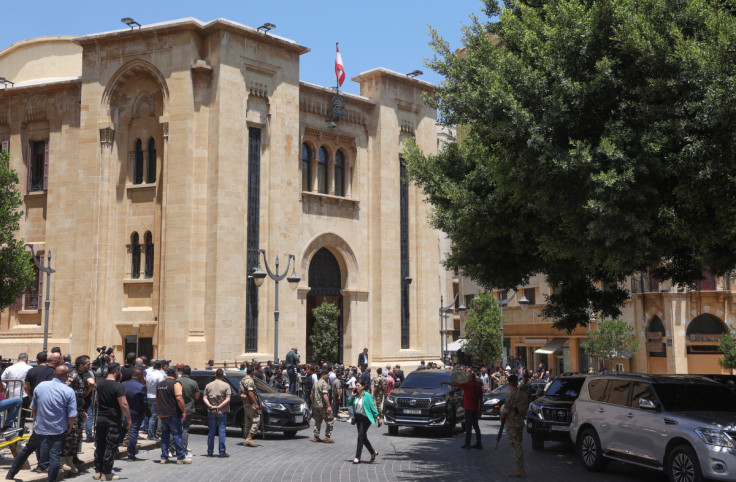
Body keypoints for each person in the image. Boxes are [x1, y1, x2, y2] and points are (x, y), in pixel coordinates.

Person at [6, 365, 77, 482]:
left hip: (40, 428)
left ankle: (11, 474)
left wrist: (37, 420)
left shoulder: (41, 386)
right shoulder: (68, 391)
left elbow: (34, 408)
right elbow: (72, 414)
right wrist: (70, 427)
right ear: (67, 376)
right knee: (54, 457)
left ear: (54, 374)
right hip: (58, 429)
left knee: (27, 450)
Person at [94, 362, 131, 480]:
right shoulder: (118, 386)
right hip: (113, 420)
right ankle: (107, 473)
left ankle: (98, 471)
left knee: (100, 445)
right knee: (110, 446)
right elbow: (124, 404)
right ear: (116, 372)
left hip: (100, 419)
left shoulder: (100, 384)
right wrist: (128, 418)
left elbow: (97, 400)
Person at [60, 355, 91, 474]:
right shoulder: (73, 376)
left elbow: (81, 396)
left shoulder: (83, 376)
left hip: (78, 410)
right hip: (70, 411)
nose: (89, 365)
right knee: (69, 435)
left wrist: (82, 410)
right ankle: (63, 460)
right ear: (81, 365)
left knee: (76, 436)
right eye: (87, 363)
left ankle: (71, 459)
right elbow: (66, 392)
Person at [441, 371, 483, 449]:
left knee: (468, 427)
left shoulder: (467, 385)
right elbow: (481, 399)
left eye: (468, 377)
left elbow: (455, 384)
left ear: (471, 378)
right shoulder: (478, 386)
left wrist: (444, 382)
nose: (467, 378)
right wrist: (479, 410)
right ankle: (479, 443)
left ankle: (467, 444)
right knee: (476, 426)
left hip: (468, 409)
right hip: (475, 409)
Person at [156, 367, 189, 464]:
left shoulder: (160, 384)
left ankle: (164, 457)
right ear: (175, 374)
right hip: (173, 413)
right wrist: (184, 411)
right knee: (177, 435)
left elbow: (157, 399)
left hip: (163, 414)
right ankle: (181, 457)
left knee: (165, 436)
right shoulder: (176, 383)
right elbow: (179, 398)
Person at [501, 374, 530, 477]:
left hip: (512, 424)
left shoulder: (511, 396)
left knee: (515, 445)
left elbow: (505, 410)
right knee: (518, 444)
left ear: (509, 384)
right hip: (520, 423)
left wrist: (502, 418)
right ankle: (520, 467)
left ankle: (520, 468)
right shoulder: (524, 395)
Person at [348, 379, 380, 464]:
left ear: (363, 386)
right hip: (358, 418)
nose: (357, 387)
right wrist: (351, 396)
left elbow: (372, 407)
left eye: (358, 385)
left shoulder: (367, 395)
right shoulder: (355, 395)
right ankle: (373, 452)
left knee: (360, 437)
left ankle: (357, 457)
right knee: (363, 437)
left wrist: (378, 417)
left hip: (366, 418)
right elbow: (349, 403)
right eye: (356, 385)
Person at [203, 369, 231, 457]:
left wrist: (211, 406)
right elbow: (228, 398)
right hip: (221, 411)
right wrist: (219, 407)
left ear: (215, 375)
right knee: (221, 431)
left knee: (211, 431)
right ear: (222, 375)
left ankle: (210, 451)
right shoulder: (226, 385)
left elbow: (204, 398)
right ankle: (222, 452)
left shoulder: (208, 385)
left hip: (211, 411)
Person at [122, 367, 147, 460]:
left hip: (124, 411)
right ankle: (131, 454)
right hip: (136, 412)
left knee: (121, 431)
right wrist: (147, 412)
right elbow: (144, 402)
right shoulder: (141, 387)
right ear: (140, 375)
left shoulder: (123, 384)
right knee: (133, 433)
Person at [178, 365, 200, 455]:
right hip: (188, 409)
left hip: (178, 408)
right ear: (190, 373)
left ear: (182, 372)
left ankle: (173, 448)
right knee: (185, 429)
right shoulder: (193, 382)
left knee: (176, 429)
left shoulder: (177, 381)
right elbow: (197, 396)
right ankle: (183, 449)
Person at [238, 365, 260, 447]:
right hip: (250, 403)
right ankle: (249, 438)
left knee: (248, 420)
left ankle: (246, 438)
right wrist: (256, 403)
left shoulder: (243, 379)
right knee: (256, 420)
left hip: (245, 403)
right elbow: (250, 393)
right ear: (252, 372)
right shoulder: (249, 381)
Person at [311, 370, 334, 443]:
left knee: (318, 421)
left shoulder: (315, 383)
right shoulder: (324, 384)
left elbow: (311, 395)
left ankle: (316, 436)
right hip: (323, 406)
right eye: (327, 375)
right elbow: (325, 395)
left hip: (316, 406)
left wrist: (314, 403)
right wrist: (329, 406)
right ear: (323, 375)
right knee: (330, 420)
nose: (328, 376)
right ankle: (327, 435)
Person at [145, 360, 165, 440]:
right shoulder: (160, 375)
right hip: (155, 397)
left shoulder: (148, 373)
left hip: (148, 395)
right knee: (154, 416)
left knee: (150, 416)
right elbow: (161, 387)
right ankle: (151, 435)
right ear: (160, 367)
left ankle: (151, 433)